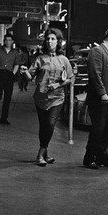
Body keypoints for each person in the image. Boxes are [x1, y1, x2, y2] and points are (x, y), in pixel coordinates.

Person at [20, 28, 74, 166]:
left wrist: (57, 85)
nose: (50, 41)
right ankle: (46, 154)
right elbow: (30, 77)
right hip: (41, 98)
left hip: (57, 98)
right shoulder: (40, 59)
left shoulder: (64, 60)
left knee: (50, 124)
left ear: (58, 42)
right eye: (48, 39)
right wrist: (24, 72)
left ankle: (39, 155)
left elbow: (70, 79)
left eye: (53, 39)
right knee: (44, 126)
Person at [83, 28, 108, 169]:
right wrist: (102, 93)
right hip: (100, 99)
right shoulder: (97, 51)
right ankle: (89, 158)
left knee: (106, 130)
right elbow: (95, 74)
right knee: (98, 129)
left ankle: (101, 157)